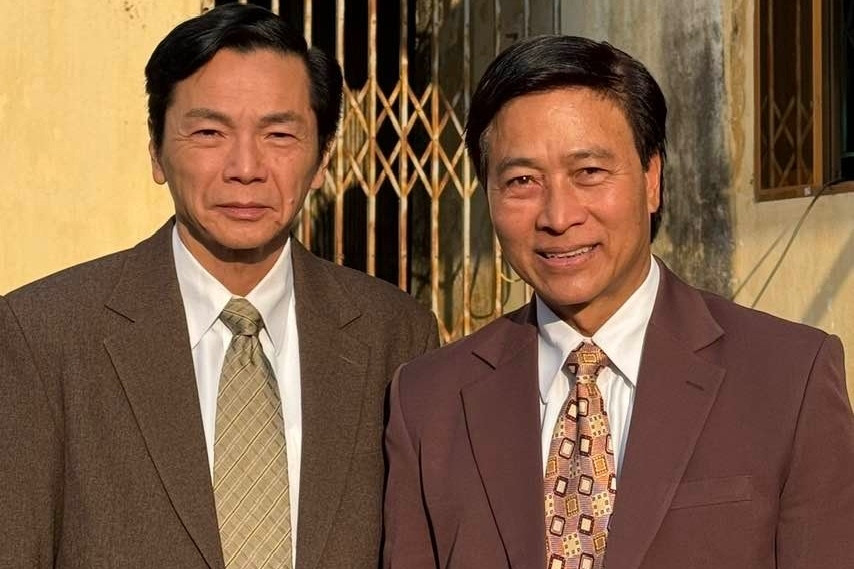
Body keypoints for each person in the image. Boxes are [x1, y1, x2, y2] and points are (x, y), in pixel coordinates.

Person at [382, 35, 854, 569]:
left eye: (589, 173)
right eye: (522, 180)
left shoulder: (788, 377)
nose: (558, 216)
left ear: (652, 179)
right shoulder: (428, 402)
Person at [0, 4, 438, 568]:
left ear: (323, 157)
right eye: (209, 132)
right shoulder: (43, 334)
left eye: (279, 134)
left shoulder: (395, 334)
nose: (246, 168)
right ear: (157, 149)